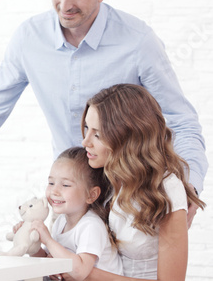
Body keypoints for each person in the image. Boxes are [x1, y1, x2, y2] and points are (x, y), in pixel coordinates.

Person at [0, 0, 207, 226]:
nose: (63, 4)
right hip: (72, 203)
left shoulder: (138, 42)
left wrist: (188, 184)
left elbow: (180, 121)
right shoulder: (29, 38)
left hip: (132, 198)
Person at [80, 84, 205, 280]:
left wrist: (86, 274)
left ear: (127, 137)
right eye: (87, 128)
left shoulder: (167, 189)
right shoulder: (108, 180)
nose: (85, 141)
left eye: (98, 134)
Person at [29, 147, 122, 280]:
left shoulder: (91, 226)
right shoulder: (61, 222)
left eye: (65, 185)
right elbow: (47, 260)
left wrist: (48, 240)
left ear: (91, 195)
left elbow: (80, 271)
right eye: (51, 183)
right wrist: (33, 245)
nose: (54, 191)